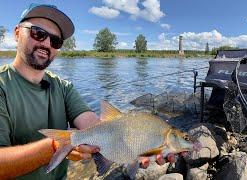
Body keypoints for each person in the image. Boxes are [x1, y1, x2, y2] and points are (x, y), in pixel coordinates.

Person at [0, 4, 173, 179]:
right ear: (16, 33)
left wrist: (136, 145)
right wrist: (54, 145)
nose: (46, 44)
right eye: (38, 33)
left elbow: (92, 125)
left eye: (56, 41)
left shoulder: (63, 87)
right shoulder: (2, 86)